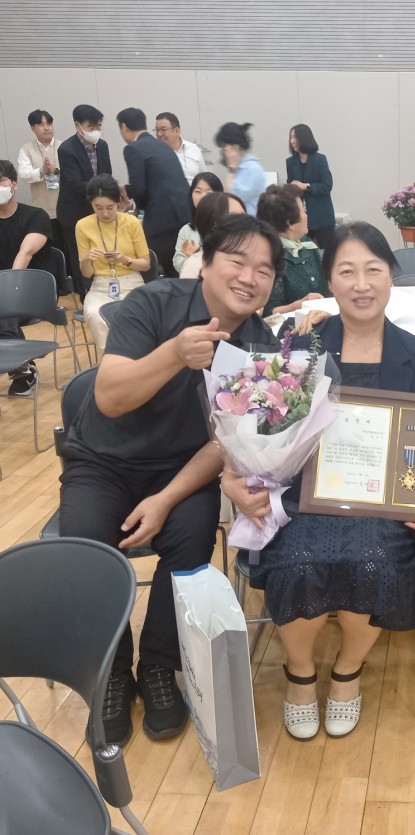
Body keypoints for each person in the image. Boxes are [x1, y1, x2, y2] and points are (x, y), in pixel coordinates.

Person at [223, 221, 415, 741]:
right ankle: (300, 672)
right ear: (328, 280)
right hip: (302, 496)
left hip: (385, 502)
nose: (361, 284)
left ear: (391, 277)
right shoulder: (299, 343)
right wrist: (233, 477)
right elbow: (257, 422)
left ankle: (348, 670)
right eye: (347, 271)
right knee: (296, 562)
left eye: (373, 270)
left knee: (373, 562)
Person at [59, 214, 284, 746]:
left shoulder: (260, 348)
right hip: (103, 460)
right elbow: (110, 397)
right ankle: (113, 671)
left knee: (192, 537)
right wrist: (175, 354)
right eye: (237, 261)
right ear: (204, 263)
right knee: (86, 548)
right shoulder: (152, 304)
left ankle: (159, 664)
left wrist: (164, 499)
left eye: (264, 270)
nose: (249, 277)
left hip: (182, 468)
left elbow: (227, 443)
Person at [76, 174, 151, 352]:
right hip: (100, 286)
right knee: (94, 314)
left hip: (132, 283)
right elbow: (87, 273)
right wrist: (86, 259)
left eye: (110, 207)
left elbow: (146, 264)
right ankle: (110, 358)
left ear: (118, 202)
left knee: (136, 315)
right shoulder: (82, 225)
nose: (105, 213)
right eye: (98, 207)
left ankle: (137, 358)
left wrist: (125, 260)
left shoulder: (131, 222)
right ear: (91, 204)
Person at [116, 107, 192, 277]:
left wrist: (137, 204)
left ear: (123, 127)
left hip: (162, 219)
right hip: (183, 213)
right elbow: (158, 181)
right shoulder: (162, 145)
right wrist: (128, 190)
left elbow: (140, 188)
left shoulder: (133, 148)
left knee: (150, 265)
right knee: (178, 267)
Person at [0, 159, 53, 395]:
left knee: (3, 303)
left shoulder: (35, 215)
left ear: (14, 184)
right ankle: (22, 367)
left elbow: (26, 253)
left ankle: (19, 366)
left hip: (31, 291)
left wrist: (9, 287)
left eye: (1, 181)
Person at [56, 104, 112, 298]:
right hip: (74, 213)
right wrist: (104, 188)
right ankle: (85, 296)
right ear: (78, 126)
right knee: (80, 256)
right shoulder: (66, 149)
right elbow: (76, 184)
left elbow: (107, 174)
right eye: (91, 127)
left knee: (100, 252)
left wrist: (111, 192)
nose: (95, 131)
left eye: (98, 126)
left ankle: (103, 292)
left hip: (98, 211)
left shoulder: (102, 146)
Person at [257, 183, 328, 315]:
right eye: (303, 210)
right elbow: (268, 312)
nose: (306, 214)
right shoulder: (271, 257)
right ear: (289, 222)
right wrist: (299, 305)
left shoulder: (306, 243)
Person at [17, 109, 63, 252]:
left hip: (65, 207)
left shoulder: (64, 146)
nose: (46, 128)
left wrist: (55, 170)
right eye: (41, 124)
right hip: (42, 210)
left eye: (49, 123)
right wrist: (42, 171)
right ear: (33, 128)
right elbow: (23, 174)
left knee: (69, 247)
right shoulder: (26, 149)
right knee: (51, 249)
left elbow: (72, 173)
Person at [286, 124, 336, 250]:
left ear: (304, 138)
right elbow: (290, 185)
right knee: (304, 253)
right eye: (291, 137)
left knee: (327, 253)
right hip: (301, 219)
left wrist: (306, 186)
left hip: (322, 218)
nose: (292, 141)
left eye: (295, 137)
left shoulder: (320, 159)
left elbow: (327, 185)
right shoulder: (290, 162)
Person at [178, 191, 246, 279]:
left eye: (245, 217)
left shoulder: (249, 258)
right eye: (237, 219)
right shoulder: (195, 266)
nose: (246, 224)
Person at [173, 172, 224, 275]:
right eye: (198, 191)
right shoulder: (186, 230)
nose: (203, 197)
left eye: (209, 192)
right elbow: (177, 263)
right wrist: (191, 259)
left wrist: (197, 256)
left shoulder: (226, 228)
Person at [215, 121, 266, 216]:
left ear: (235, 147)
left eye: (225, 147)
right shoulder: (240, 167)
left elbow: (231, 198)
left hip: (250, 221)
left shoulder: (252, 169)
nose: (224, 152)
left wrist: (231, 168)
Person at [154, 112, 208, 183]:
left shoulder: (193, 149)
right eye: (157, 130)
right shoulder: (154, 153)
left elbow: (205, 177)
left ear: (177, 131)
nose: (159, 134)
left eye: (163, 129)